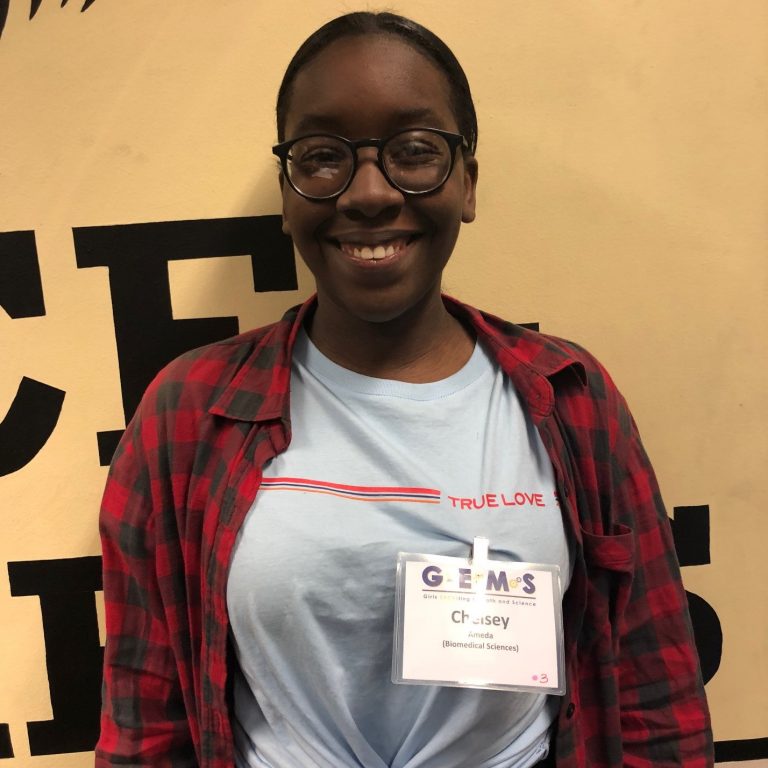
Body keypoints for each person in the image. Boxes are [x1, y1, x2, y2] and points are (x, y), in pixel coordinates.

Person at [96, 11, 713, 768]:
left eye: (414, 151)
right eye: (322, 156)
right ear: (288, 190)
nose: (368, 192)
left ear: (468, 183)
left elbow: (655, 695)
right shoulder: (187, 413)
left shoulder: (573, 399)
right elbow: (145, 723)